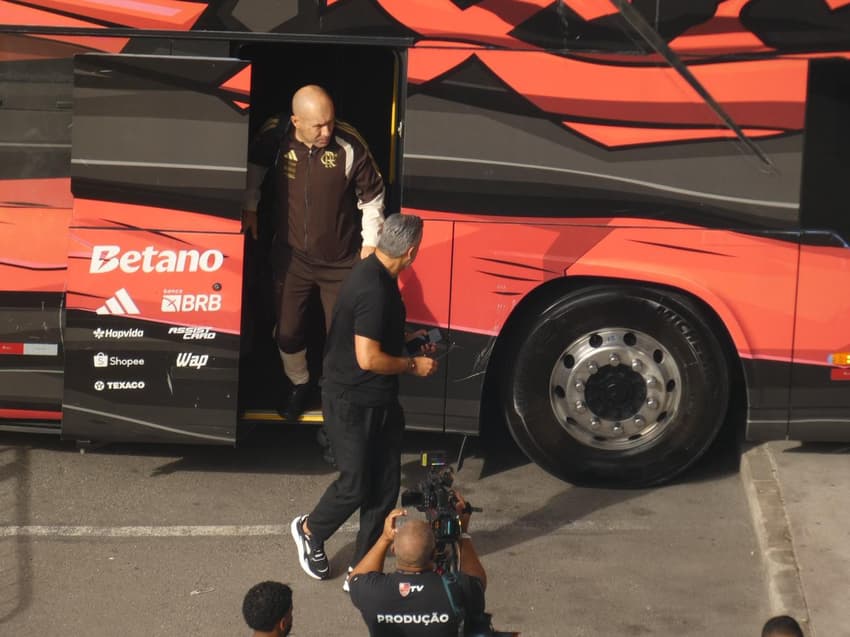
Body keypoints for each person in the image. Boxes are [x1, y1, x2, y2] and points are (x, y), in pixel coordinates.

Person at [290, 213, 438, 584]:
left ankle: (363, 568)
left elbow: (374, 335)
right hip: (351, 401)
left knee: (384, 488)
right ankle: (310, 531)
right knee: (356, 484)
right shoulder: (372, 288)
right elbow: (368, 359)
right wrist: (412, 365)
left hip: (380, 401)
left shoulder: (378, 274)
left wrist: (409, 339)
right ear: (411, 251)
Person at [243, 84, 385, 422]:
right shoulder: (276, 136)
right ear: (295, 121)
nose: (326, 131)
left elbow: (373, 197)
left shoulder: (349, 143)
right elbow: (254, 166)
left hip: (342, 259)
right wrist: (250, 206)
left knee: (342, 334)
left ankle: (335, 395)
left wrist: (370, 245)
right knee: (288, 330)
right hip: (291, 257)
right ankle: (299, 383)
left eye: (330, 122)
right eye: (317, 125)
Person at [347, 496, 488, 637]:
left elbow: (354, 578)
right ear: (434, 553)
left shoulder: (370, 591)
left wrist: (385, 538)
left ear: (393, 550)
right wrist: (462, 533)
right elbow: (478, 582)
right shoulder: (459, 588)